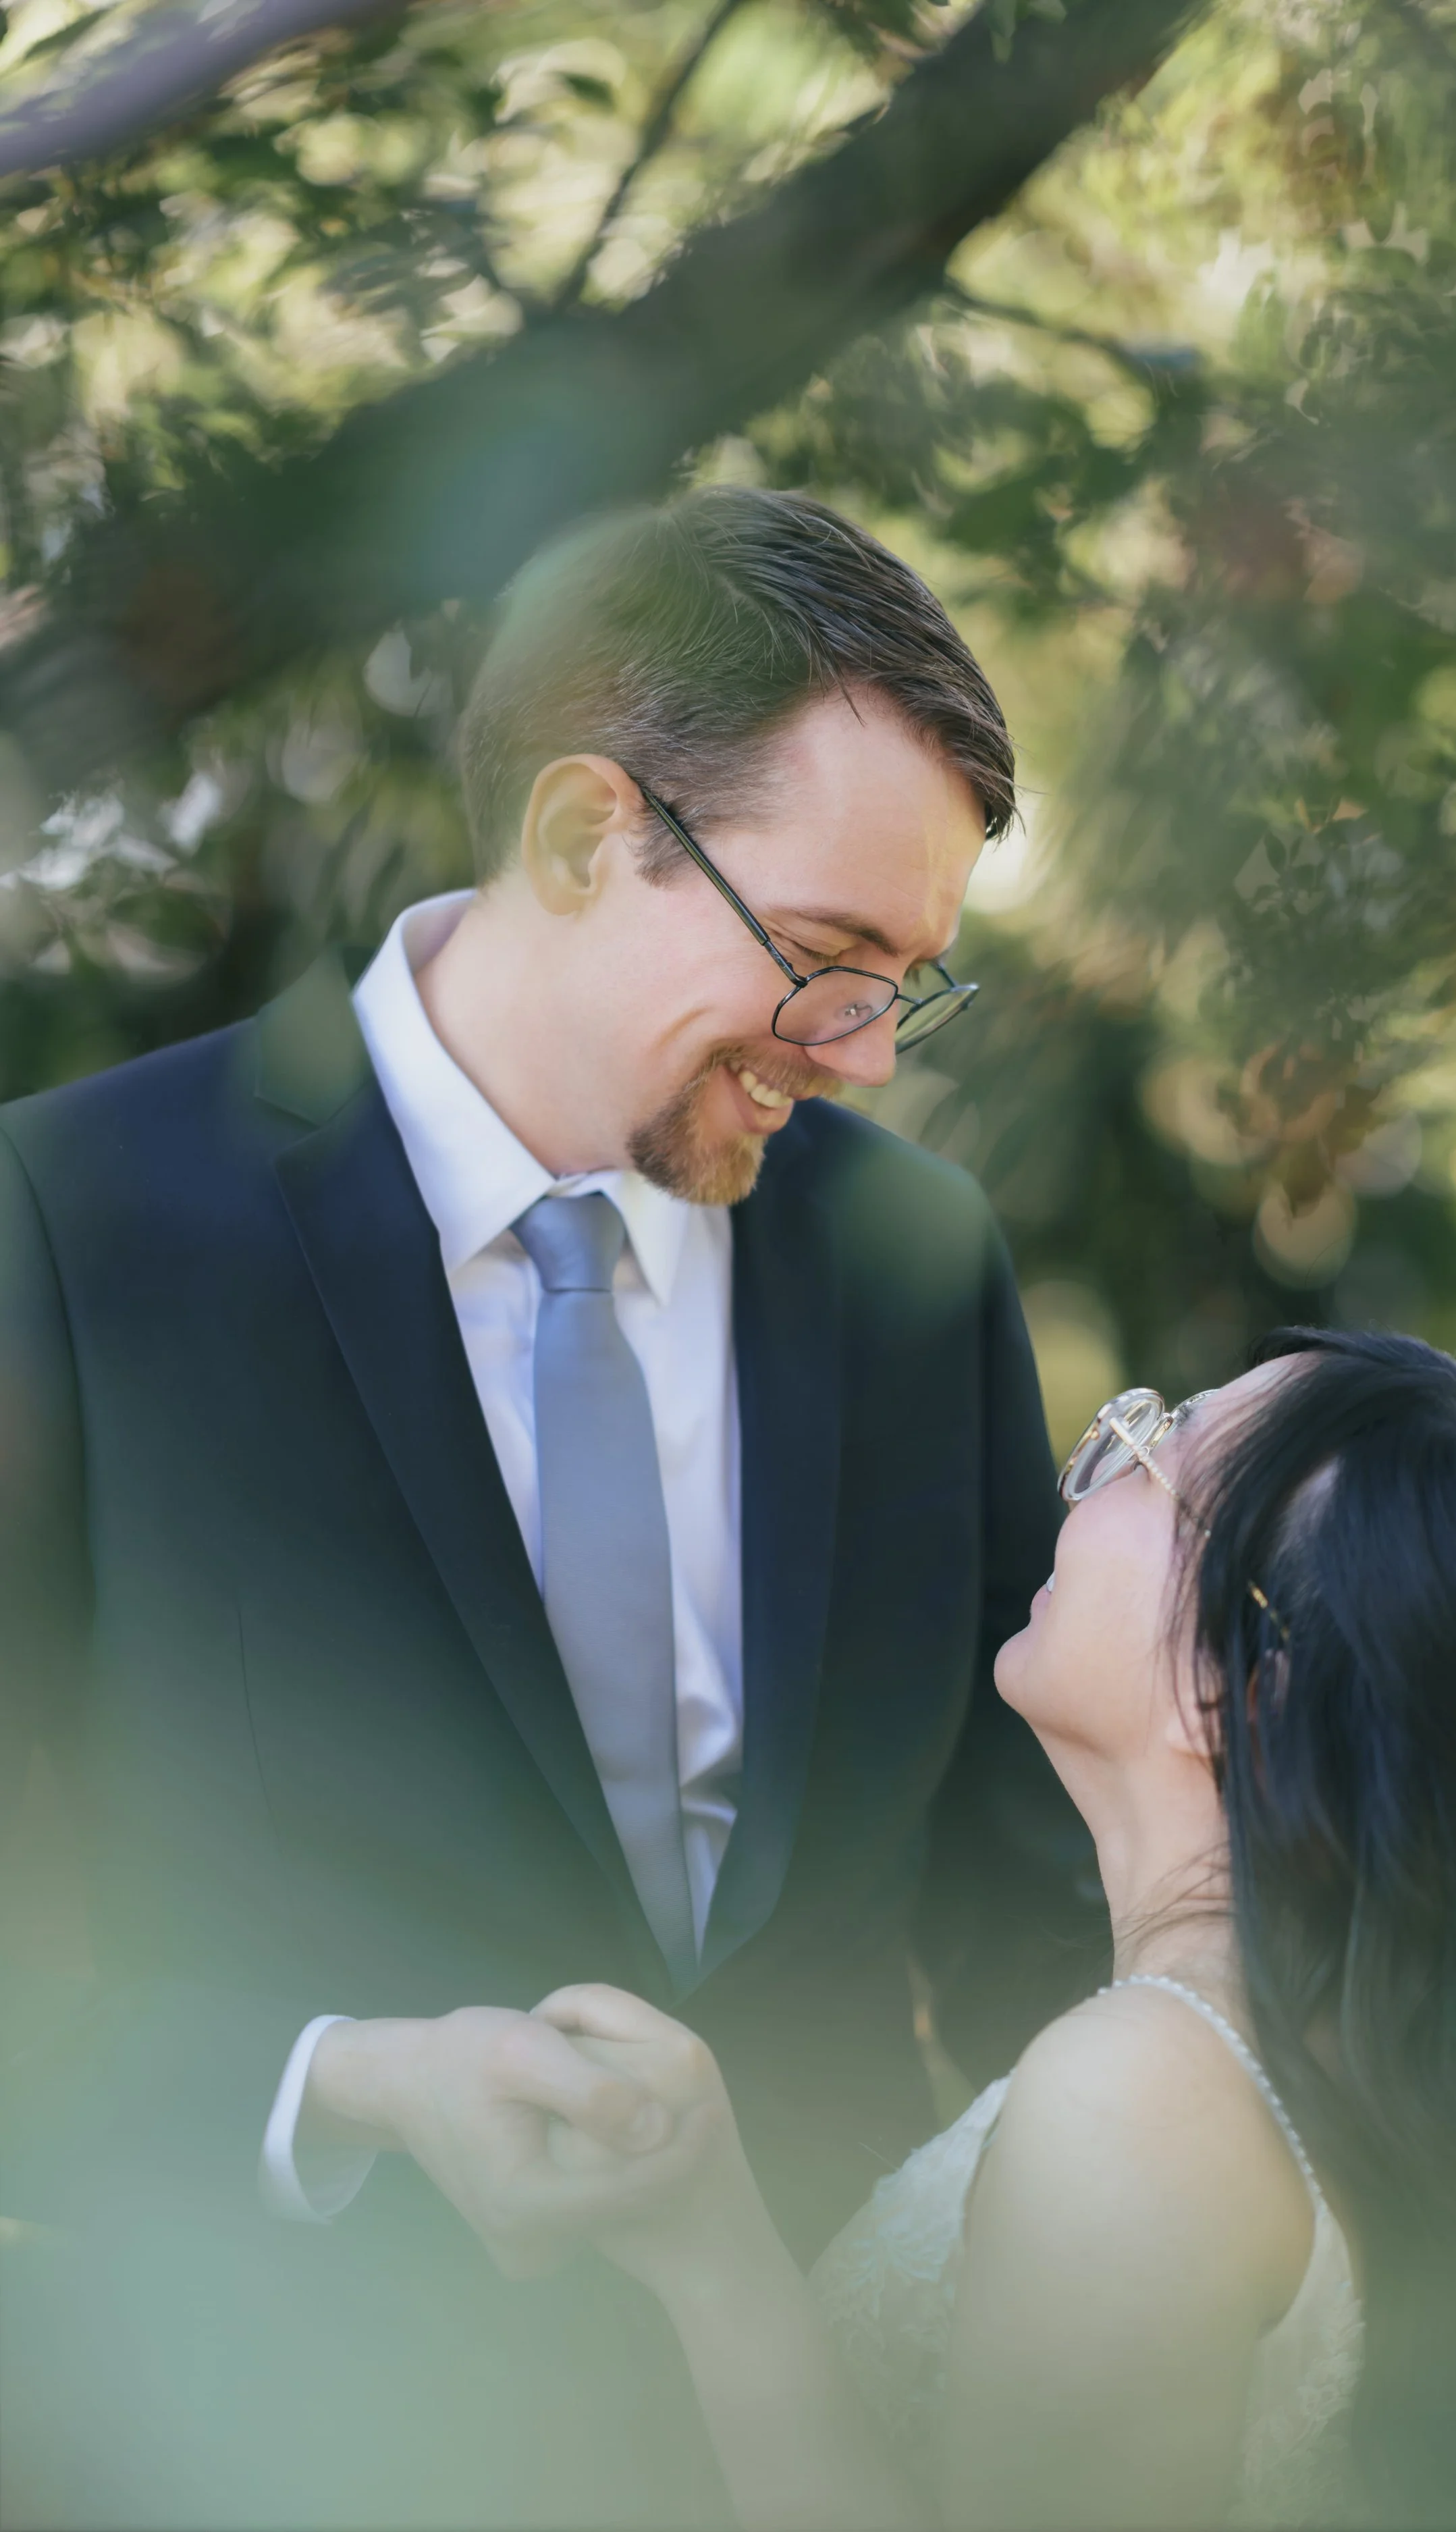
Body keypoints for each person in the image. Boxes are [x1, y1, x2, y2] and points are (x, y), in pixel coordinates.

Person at [0, 489, 1101, 2529]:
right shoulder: (67, 1227)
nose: (861, 1057)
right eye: (829, 961)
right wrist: (353, 2082)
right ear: (587, 834)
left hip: (816, 2446)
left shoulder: (916, 1260)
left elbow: (1036, 1908)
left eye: (908, 989)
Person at [506, 1329, 1456, 2531]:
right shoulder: (1385, 2067)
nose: (1093, 1473)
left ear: (1235, 1683)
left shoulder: (1138, 2095)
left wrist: (710, 2257)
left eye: (1157, 1446)